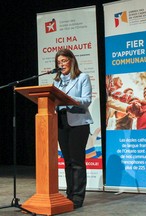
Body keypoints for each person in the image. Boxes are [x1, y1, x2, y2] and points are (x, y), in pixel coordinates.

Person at [53, 48, 93, 209]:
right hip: (61, 122)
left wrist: (66, 98)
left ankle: (77, 198)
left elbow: (86, 100)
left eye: (64, 60)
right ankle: (69, 195)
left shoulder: (82, 77)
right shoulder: (57, 81)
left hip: (78, 123)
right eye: (59, 62)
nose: (61, 64)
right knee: (67, 162)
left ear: (72, 60)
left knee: (77, 161)